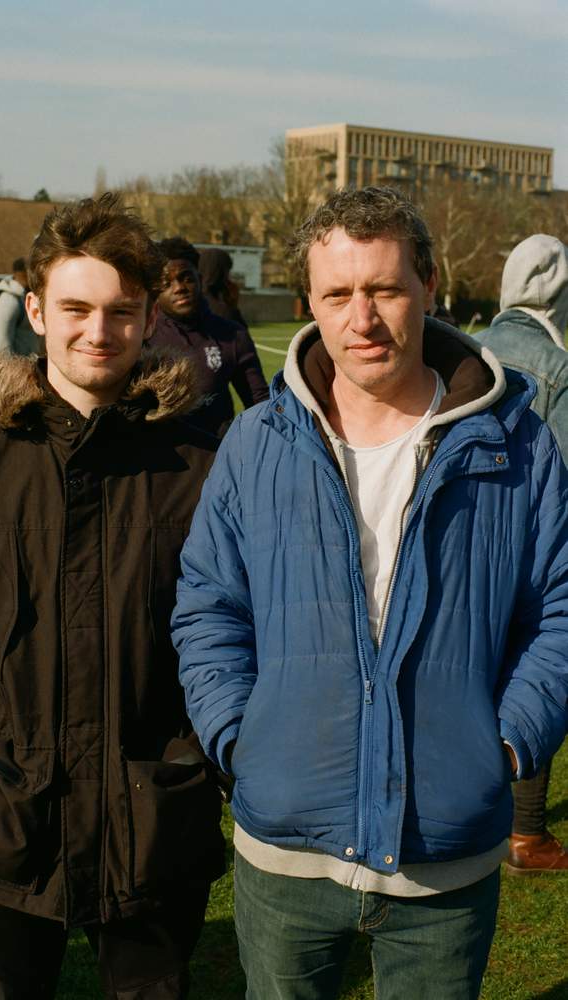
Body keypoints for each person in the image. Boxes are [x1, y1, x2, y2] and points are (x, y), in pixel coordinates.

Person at [172, 187, 568, 1000]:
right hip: (285, 849)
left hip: (444, 855)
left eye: (384, 289)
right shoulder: (256, 443)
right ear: (310, 301)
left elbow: (557, 610)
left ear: (427, 282)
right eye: (337, 294)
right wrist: (243, 739)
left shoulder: (517, 444)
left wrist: (503, 746)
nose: (363, 318)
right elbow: (209, 606)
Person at [0, 194, 224, 1000]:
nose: (98, 330)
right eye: (76, 307)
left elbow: (234, 642)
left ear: (150, 318)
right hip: (5, 823)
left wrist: (196, 772)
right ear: (37, 311)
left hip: (154, 826)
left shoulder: (199, 470)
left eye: (121, 310)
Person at [476, 233, 568, 875]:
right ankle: (527, 834)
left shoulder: (470, 347)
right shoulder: (556, 365)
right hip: (536, 542)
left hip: (466, 542)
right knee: (540, 672)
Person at [150, 237, 268, 437]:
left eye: (186, 277)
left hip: (219, 454)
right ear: (155, 291)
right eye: (166, 283)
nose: (179, 287)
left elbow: (259, 402)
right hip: (164, 460)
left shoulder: (232, 334)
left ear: (200, 278)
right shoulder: (144, 337)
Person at [0, 257, 41, 355]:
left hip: (30, 365)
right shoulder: (8, 300)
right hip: (17, 367)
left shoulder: (23, 296)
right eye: (32, 271)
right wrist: (9, 369)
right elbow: (3, 345)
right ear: (21, 273)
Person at [197, 246, 248, 328]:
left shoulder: (190, 302)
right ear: (221, 274)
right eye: (227, 272)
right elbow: (242, 336)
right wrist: (233, 308)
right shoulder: (222, 312)